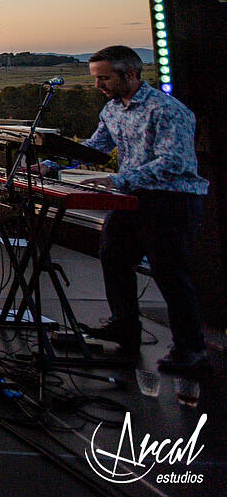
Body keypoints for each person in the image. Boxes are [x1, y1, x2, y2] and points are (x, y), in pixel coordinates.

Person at [73, 45, 210, 376]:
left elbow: (173, 162)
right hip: (132, 197)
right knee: (113, 256)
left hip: (171, 199)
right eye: (96, 78)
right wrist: (50, 161)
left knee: (169, 271)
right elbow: (95, 148)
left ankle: (192, 348)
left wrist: (118, 178)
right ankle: (124, 326)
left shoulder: (167, 110)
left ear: (130, 74)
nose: (98, 85)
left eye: (104, 78)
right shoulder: (112, 110)